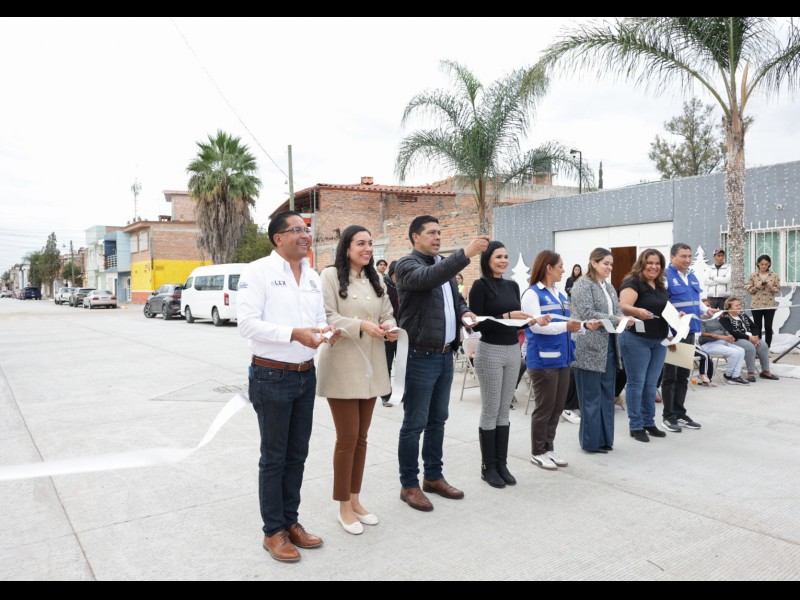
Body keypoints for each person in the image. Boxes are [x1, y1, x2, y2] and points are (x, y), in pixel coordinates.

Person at [238, 211, 339, 563]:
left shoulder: (311, 276)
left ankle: (290, 521)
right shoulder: (258, 272)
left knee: (298, 454)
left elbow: (317, 321)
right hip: (271, 376)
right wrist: (294, 334)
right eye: (297, 230)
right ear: (278, 238)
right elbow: (247, 324)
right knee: (274, 458)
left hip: (304, 375)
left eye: (306, 229)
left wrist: (327, 333)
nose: (305, 235)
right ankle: (273, 531)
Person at [394, 215, 487, 512]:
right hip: (420, 356)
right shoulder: (407, 266)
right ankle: (409, 484)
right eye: (431, 233)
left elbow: (454, 300)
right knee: (414, 423)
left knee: (438, 420)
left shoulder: (443, 266)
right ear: (415, 237)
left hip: (446, 354)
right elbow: (427, 279)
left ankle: (433, 477)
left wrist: (464, 312)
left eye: (439, 232)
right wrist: (466, 253)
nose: (437, 237)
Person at [317, 225, 397, 536]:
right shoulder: (330, 276)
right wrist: (362, 325)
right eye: (360, 243)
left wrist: (389, 326)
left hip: (372, 366)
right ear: (347, 247)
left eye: (370, 243)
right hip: (342, 366)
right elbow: (327, 317)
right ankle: (343, 506)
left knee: (362, 438)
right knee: (347, 438)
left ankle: (355, 499)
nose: (367, 248)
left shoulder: (377, 280)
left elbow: (387, 313)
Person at [469, 241, 547, 488]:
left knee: (504, 410)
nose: (503, 260)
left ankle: (501, 464)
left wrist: (532, 320)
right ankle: (488, 467)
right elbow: (478, 323)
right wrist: (507, 316)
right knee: (491, 409)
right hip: (490, 351)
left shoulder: (512, 286)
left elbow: (516, 322)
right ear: (487, 259)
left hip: (512, 351)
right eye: (498, 256)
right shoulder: (480, 286)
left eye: (506, 256)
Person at [522, 251, 594, 469]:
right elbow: (536, 326)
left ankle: (549, 448)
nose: (564, 270)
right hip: (543, 360)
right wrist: (566, 326)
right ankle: (537, 452)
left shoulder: (559, 293)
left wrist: (584, 326)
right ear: (548, 268)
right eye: (560, 266)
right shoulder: (532, 294)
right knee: (545, 408)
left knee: (557, 407)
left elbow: (567, 323)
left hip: (563, 358)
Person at [571, 248, 630, 453]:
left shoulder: (609, 286)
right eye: (606, 263)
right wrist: (617, 319)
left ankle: (605, 440)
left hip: (609, 346)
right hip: (589, 347)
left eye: (611, 264)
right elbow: (588, 313)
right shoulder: (582, 285)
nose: (610, 267)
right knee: (591, 398)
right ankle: (591, 442)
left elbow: (617, 311)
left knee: (607, 397)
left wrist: (625, 320)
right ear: (593, 263)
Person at [661, 243, 719, 433]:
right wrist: (669, 334)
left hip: (690, 331)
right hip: (675, 333)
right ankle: (668, 416)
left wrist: (706, 309)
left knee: (683, 376)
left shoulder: (692, 276)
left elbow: (696, 301)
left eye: (689, 256)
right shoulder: (666, 277)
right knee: (670, 376)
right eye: (683, 256)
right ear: (672, 257)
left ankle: (679, 413)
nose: (687, 260)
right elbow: (662, 305)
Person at [618, 249, 670, 443]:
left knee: (651, 384)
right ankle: (636, 425)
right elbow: (624, 306)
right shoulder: (632, 283)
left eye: (657, 263)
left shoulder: (660, 285)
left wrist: (676, 316)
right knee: (636, 383)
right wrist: (637, 311)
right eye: (650, 262)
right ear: (642, 263)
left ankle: (649, 422)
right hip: (636, 339)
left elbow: (663, 309)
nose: (654, 267)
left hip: (659, 341)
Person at [720, 297, 779, 382]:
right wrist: (749, 338)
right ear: (729, 307)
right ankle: (751, 373)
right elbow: (732, 332)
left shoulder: (742, 315)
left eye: (740, 305)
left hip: (750, 337)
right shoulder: (724, 317)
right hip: (735, 339)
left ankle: (765, 371)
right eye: (737, 306)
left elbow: (754, 327)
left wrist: (755, 337)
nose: (739, 307)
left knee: (763, 345)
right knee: (749, 347)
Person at [697, 317, 748, 385]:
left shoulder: (715, 318)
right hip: (707, 344)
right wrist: (721, 337)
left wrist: (729, 336)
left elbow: (723, 329)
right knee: (734, 352)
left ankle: (735, 376)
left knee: (741, 350)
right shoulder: (700, 320)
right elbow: (702, 334)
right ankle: (729, 375)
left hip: (721, 341)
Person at [747, 254, 781, 348]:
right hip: (756, 305)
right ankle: (758, 347)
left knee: (768, 326)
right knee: (757, 327)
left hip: (770, 305)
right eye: (762, 264)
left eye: (766, 264)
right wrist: (757, 287)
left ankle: (767, 347)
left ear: (769, 264)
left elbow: (778, 290)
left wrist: (770, 287)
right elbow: (749, 290)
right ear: (758, 264)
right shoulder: (753, 276)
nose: (764, 266)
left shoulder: (774, 275)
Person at [382, 260, 400, 407]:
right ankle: (385, 395)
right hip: (387, 332)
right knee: (386, 365)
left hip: (402, 332)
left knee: (402, 365)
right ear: (392, 274)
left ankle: (401, 393)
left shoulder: (404, 286)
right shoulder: (383, 287)